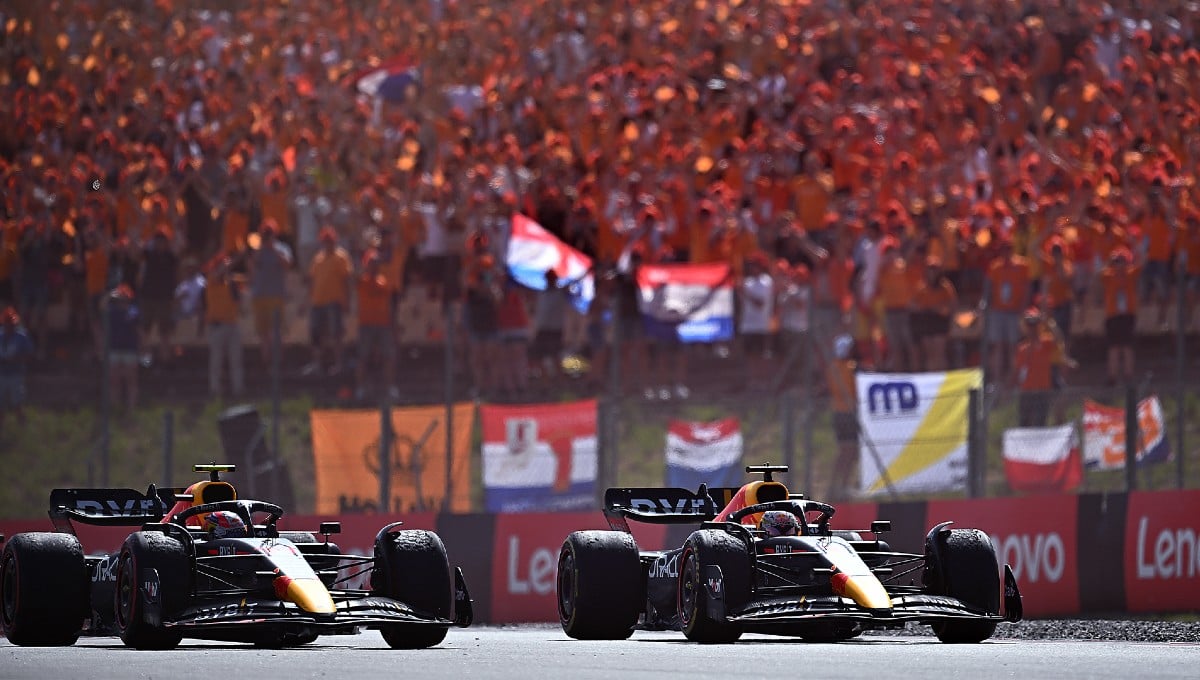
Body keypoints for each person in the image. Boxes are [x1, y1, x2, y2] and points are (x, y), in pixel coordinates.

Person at [305, 227, 353, 375]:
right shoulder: (318, 258)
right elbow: (312, 281)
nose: (328, 244)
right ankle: (317, 363)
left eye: (330, 241)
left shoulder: (341, 257)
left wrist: (347, 301)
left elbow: (346, 280)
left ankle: (339, 363)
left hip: (334, 301)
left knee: (336, 334)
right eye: (325, 241)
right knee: (316, 334)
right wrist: (308, 300)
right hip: (317, 302)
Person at [247, 221, 293, 365]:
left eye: (269, 233)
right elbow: (251, 267)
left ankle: (278, 362)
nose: (267, 236)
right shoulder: (257, 249)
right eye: (265, 233)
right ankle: (266, 362)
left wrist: (273, 249)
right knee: (263, 333)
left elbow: (287, 265)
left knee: (276, 332)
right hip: (260, 295)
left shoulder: (282, 248)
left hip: (276, 295)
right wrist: (261, 248)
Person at [1011, 309, 1066, 428]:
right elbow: (1016, 371)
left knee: (1040, 424)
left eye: (1034, 324)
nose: (1032, 328)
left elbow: (1059, 338)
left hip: (1042, 391)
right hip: (1026, 392)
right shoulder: (1022, 349)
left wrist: (1048, 322)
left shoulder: (1046, 343)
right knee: (1024, 424)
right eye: (1029, 325)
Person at [355, 253, 398, 401]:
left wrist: (392, 324)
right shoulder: (362, 281)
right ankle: (361, 388)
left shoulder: (384, 282)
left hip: (383, 324)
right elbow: (353, 276)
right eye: (371, 263)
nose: (374, 266)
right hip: (366, 324)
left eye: (376, 264)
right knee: (363, 357)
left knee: (388, 356)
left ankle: (390, 387)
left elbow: (389, 304)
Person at [1099, 247, 1141, 386]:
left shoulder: (1131, 274)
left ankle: (1129, 375)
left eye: (1122, 261)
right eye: (1117, 261)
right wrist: (1109, 260)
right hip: (1113, 316)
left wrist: (1134, 247)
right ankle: (1113, 376)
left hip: (1127, 315)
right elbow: (1099, 272)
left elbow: (1143, 262)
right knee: (1114, 347)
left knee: (1127, 346)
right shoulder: (1108, 276)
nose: (1119, 264)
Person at [204, 256, 244, 399]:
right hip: (217, 326)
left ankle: (238, 390)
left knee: (236, 360)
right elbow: (218, 274)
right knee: (216, 361)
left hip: (232, 325)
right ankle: (215, 391)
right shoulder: (211, 280)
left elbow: (239, 302)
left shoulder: (232, 284)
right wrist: (230, 261)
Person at [827, 333, 858, 502]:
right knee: (850, 451)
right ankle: (843, 486)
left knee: (843, 451)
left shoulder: (832, 367)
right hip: (849, 412)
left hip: (837, 411)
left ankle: (834, 485)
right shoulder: (851, 368)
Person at [104, 284, 141, 412]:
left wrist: (143, 346)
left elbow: (138, 329)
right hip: (114, 348)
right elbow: (101, 307)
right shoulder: (111, 311)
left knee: (131, 380)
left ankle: (131, 408)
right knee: (114, 380)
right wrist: (110, 294)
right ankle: (115, 408)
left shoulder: (133, 311)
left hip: (130, 349)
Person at [0, 307, 34, 431]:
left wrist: (15, 359)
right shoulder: (0, 335)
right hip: (1, 374)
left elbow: (29, 355)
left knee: (17, 403)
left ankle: (23, 427)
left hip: (16, 374)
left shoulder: (21, 336)